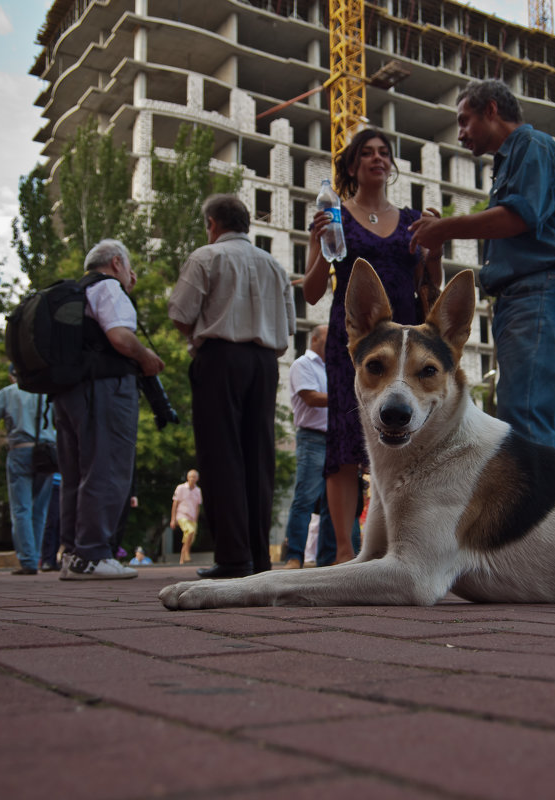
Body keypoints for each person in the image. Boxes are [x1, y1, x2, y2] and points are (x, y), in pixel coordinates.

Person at [409, 78, 555, 458]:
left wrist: (444, 229)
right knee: (545, 415)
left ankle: (536, 517)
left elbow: (520, 217)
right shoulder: (517, 156)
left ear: (491, 109)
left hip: (538, 291)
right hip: (530, 295)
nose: (460, 134)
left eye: (464, 120)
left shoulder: (531, 146)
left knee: (524, 414)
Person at [304, 129, 441, 562]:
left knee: (406, 440)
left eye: (384, 153)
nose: (377, 159)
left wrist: (434, 253)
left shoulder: (411, 218)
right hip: (357, 344)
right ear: (351, 165)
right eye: (367, 153)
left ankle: (400, 544)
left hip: (407, 343)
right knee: (345, 443)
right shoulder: (335, 216)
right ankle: (345, 553)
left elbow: (429, 290)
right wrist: (314, 243)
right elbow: (310, 292)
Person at [169, 194, 295, 578]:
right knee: (258, 456)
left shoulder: (206, 257)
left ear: (212, 223)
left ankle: (233, 557)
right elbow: (288, 328)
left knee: (221, 456)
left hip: (220, 358)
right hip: (264, 363)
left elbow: (180, 313)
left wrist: (200, 338)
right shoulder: (274, 266)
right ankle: (257, 557)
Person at [54, 239, 162, 581]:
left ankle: (73, 553)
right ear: (116, 263)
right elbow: (119, 337)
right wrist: (146, 357)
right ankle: (93, 554)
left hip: (69, 391)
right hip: (105, 389)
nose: (132, 277)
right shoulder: (109, 288)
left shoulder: (76, 293)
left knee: (75, 475)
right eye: (130, 269)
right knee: (107, 468)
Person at [0, 367, 56, 575]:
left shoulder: (7, 393)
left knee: (21, 508)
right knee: (40, 509)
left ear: (11, 375)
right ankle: (38, 557)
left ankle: (28, 561)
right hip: (48, 453)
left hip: (20, 450)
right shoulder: (48, 393)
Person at [280, 324, 330, 569]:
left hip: (335, 440)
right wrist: (347, 395)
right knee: (305, 499)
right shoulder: (303, 364)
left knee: (334, 503)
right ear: (315, 339)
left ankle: (330, 559)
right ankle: (294, 557)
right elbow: (310, 397)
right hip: (312, 438)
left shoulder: (334, 367)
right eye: (330, 339)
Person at [170, 469, 202, 565]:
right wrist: (173, 519)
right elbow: (175, 504)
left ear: (197, 478)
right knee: (190, 531)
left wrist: (196, 519)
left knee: (189, 537)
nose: (192, 479)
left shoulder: (198, 490)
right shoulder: (180, 488)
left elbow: (197, 506)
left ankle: (182, 559)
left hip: (192, 517)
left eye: (194, 477)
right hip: (182, 515)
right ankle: (187, 553)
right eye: (190, 476)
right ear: (187, 477)